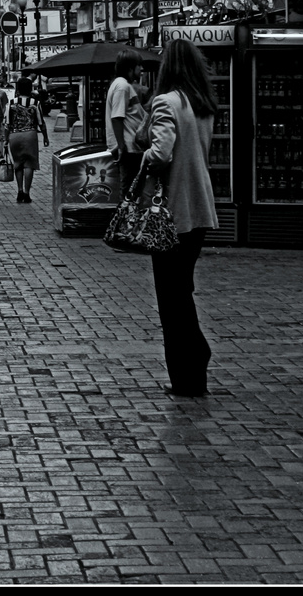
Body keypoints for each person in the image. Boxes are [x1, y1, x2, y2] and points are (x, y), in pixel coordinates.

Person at [137, 37, 221, 398]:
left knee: (170, 295)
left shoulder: (166, 102)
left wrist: (142, 164)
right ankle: (194, 362)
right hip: (199, 207)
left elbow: (160, 153)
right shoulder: (202, 105)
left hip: (171, 209)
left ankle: (187, 369)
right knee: (181, 288)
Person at [107, 49, 150, 195]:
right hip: (130, 148)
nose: (142, 69)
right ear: (130, 68)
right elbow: (117, 117)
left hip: (131, 147)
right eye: (139, 66)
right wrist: (121, 146)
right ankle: (126, 217)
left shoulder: (123, 85)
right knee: (130, 192)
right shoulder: (122, 87)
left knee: (133, 190)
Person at [5, 75, 50, 204]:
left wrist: (6, 139)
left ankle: (19, 190)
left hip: (15, 135)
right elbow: (41, 122)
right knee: (29, 164)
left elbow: (7, 123)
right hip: (30, 134)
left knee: (18, 164)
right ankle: (27, 192)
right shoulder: (35, 103)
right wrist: (45, 137)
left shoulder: (11, 103)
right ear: (30, 89)